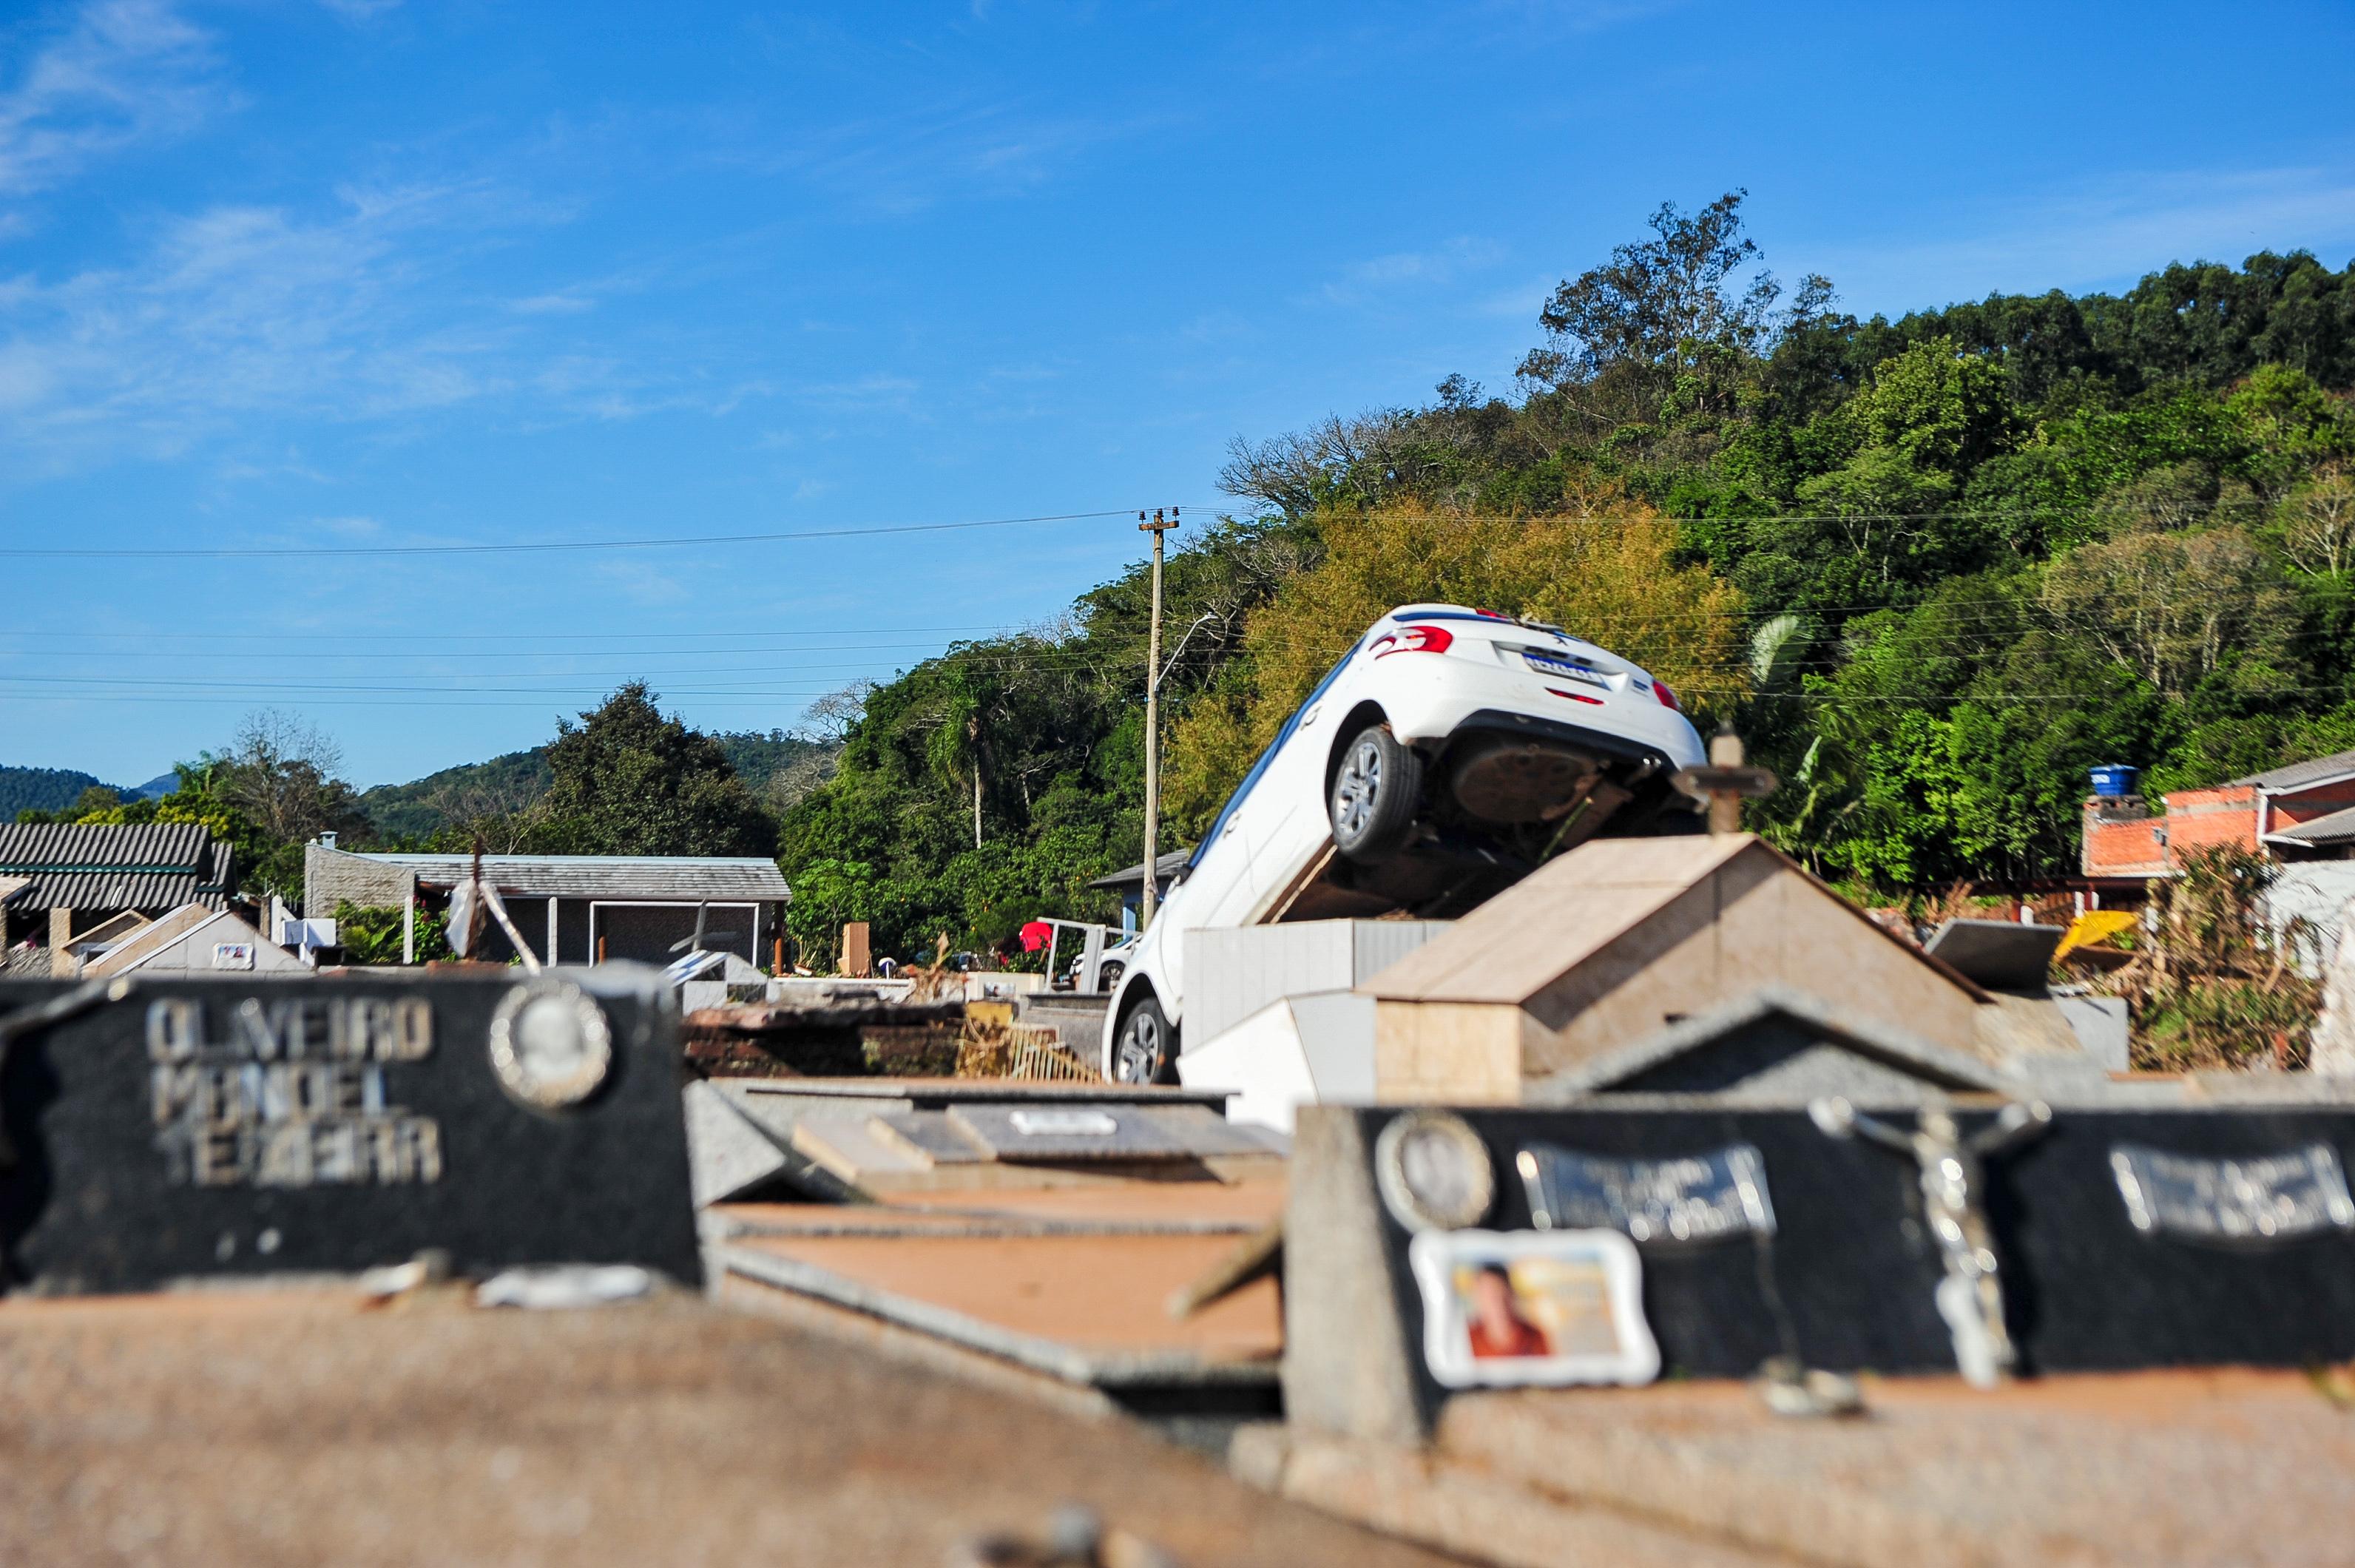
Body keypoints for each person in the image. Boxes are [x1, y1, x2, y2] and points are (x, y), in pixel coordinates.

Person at [1465, 1263, 1550, 1359]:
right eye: (1488, 1295)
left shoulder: (1535, 1336)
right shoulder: (1467, 1339)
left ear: (1510, 1293)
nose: (1496, 1303)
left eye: (1500, 1292)